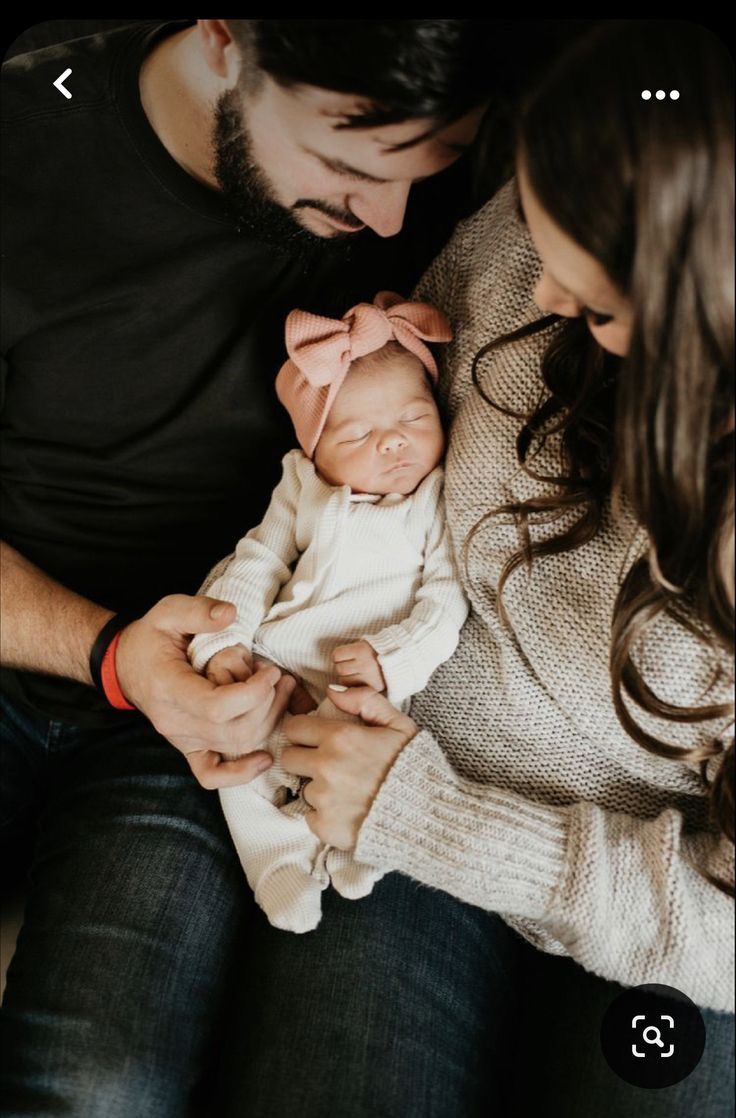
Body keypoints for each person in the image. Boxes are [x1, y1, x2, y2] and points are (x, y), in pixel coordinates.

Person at [208, 20, 732, 1117]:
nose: (539, 300)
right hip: (385, 763)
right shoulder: (536, 234)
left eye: (593, 307)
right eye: (536, 242)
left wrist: (439, 820)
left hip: (634, 900)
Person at [0, 18, 498, 1114]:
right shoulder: (27, 145)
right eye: (347, 166)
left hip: (229, 706)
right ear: (225, 37)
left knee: (93, 1086)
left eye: (431, 165)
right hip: (37, 637)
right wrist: (107, 652)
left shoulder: (445, 174)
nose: (390, 221)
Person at [187, 292, 468, 933]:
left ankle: (352, 846)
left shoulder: (434, 497)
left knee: (361, 753)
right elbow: (257, 561)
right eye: (358, 434)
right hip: (279, 662)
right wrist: (223, 641)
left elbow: (446, 600)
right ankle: (277, 862)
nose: (393, 441)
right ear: (315, 450)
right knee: (240, 753)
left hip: (365, 683)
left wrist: (389, 658)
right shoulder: (303, 486)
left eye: (415, 418)